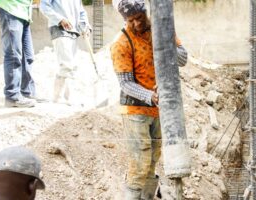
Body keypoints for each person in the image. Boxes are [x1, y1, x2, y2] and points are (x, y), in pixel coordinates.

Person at [110, 0, 188, 199]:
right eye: (131, 20)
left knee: (153, 159)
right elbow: (126, 84)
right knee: (139, 163)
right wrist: (150, 96)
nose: (136, 23)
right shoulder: (121, 42)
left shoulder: (160, 28)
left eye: (139, 18)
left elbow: (183, 58)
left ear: (146, 12)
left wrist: (162, 44)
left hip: (157, 109)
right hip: (135, 110)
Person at [0, 0, 40, 107]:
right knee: (13, 55)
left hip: (23, 13)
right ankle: (12, 96)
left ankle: (27, 92)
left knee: (28, 57)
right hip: (9, 9)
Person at [40, 0, 91, 104]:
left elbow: (81, 12)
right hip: (59, 28)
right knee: (67, 65)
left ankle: (57, 97)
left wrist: (85, 26)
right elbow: (44, 6)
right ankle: (69, 98)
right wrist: (60, 19)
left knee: (73, 66)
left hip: (73, 31)